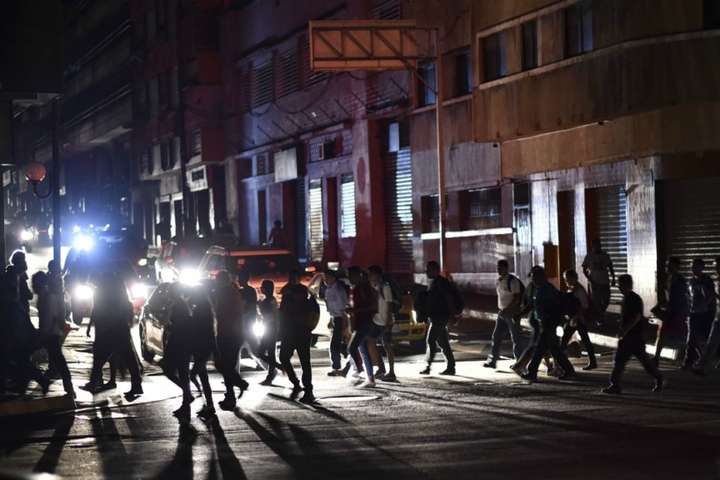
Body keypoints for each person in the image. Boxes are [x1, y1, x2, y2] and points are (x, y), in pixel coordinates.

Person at [602, 274, 663, 394]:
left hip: (634, 336)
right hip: (630, 336)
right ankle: (615, 384)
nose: (619, 287)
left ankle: (658, 378)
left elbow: (636, 317)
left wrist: (625, 330)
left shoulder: (634, 299)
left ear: (627, 285)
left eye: (620, 284)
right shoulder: (627, 298)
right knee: (620, 361)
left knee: (638, 361)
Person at [87, 273, 143, 397]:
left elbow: (100, 311)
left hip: (111, 331)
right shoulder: (122, 298)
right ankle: (137, 385)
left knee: (100, 358)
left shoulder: (107, 296)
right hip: (120, 330)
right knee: (129, 359)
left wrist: (98, 325)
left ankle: (94, 381)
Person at [520, 266, 576, 382]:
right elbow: (534, 305)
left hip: (548, 323)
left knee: (540, 349)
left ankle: (532, 372)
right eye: (532, 278)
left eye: (534, 277)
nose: (533, 280)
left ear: (541, 277)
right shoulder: (542, 289)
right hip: (547, 323)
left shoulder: (546, 290)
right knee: (552, 349)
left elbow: (550, 306)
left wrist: (547, 319)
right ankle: (569, 370)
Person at [34, 271, 75, 397]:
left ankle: (66, 387)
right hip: (48, 333)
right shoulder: (45, 296)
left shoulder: (49, 297)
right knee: (58, 359)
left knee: (58, 359)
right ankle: (65, 386)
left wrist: (46, 332)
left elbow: (53, 317)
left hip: (50, 334)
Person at [278, 270, 316, 402]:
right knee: (285, 358)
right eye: (291, 277)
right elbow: (283, 311)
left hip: (300, 330)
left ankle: (308, 390)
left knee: (304, 361)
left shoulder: (300, 291)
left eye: (294, 277)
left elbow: (288, 309)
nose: (292, 279)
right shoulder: (288, 291)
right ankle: (297, 383)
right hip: (291, 331)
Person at [214, 270, 248, 411]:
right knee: (224, 365)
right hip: (232, 334)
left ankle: (232, 394)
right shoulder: (233, 292)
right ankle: (236, 386)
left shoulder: (227, 293)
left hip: (229, 334)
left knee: (224, 365)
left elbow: (223, 314)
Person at [419, 261, 458, 376]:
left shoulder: (441, 283)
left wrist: (452, 315)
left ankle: (428, 366)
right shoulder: (435, 282)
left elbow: (449, 299)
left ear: (435, 270)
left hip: (440, 317)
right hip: (437, 317)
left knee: (430, 340)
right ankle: (451, 366)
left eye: (428, 270)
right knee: (443, 342)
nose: (426, 272)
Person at [485, 260, 524, 369]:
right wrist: (502, 310)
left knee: (516, 338)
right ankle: (493, 360)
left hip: (512, 313)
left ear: (506, 268)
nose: (498, 270)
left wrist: (507, 309)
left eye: (500, 268)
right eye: (497, 268)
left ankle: (520, 363)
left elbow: (517, 298)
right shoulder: (498, 281)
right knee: (496, 336)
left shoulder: (512, 281)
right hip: (502, 312)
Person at [560, 269, 597, 370]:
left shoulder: (579, 290)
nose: (566, 281)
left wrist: (576, 317)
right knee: (572, 340)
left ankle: (561, 363)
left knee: (568, 340)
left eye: (567, 279)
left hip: (578, 319)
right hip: (573, 319)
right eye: (565, 279)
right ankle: (592, 361)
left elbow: (585, 306)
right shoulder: (572, 289)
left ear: (573, 278)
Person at [188, 287, 216, 419]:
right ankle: (208, 404)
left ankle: (207, 402)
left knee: (195, 375)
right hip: (203, 347)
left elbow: (199, 329)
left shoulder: (200, 310)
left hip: (201, 347)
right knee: (202, 377)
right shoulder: (205, 308)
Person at [654, 257, 688, 365]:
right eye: (667, 265)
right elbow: (668, 296)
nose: (667, 267)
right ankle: (656, 357)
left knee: (681, 336)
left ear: (676, 266)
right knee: (663, 334)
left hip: (678, 312)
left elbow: (682, 297)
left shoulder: (680, 280)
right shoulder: (669, 278)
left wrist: (681, 312)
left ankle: (691, 357)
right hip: (671, 311)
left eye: (670, 265)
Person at [683, 258, 716, 369]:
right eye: (692, 266)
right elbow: (689, 296)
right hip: (694, 313)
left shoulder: (707, 280)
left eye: (696, 266)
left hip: (706, 313)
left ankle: (703, 361)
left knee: (704, 338)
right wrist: (688, 309)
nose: (694, 269)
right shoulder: (691, 281)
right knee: (691, 337)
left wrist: (705, 306)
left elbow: (711, 295)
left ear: (702, 268)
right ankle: (689, 361)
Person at [367, 265, 397, 382]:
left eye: (371, 274)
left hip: (385, 321)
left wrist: (388, 321)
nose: (369, 276)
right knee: (371, 342)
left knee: (387, 345)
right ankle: (380, 368)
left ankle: (392, 372)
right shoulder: (373, 286)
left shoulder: (385, 286)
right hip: (376, 320)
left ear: (377, 275)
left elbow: (389, 304)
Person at [694, 256, 720, 374]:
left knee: (712, 342)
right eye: (715, 267)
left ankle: (702, 366)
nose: (716, 269)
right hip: (718, 317)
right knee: (711, 342)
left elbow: (714, 296)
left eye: (718, 266)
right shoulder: (716, 280)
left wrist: (714, 295)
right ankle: (702, 367)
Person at [582, 238, 615, 324]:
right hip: (594, 283)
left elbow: (610, 267)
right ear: (592, 246)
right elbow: (584, 269)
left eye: (598, 245)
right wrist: (590, 280)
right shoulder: (589, 256)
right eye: (595, 245)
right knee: (596, 301)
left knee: (606, 299)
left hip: (605, 281)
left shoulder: (605, 255)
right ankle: (600, 318)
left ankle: (600, 315)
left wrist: (613, 278)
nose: (597, 247)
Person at [324, 270, 351, 377]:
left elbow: (343, 307)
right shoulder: (328, 289)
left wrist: (345, 323)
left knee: (336, 345)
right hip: (335, 318)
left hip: (341, 318)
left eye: (327, 277)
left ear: (333, 277)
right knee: (337, 344)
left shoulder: (339, 290)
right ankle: (339, 366)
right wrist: (331, 319)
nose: (325, 280)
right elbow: (330, 307)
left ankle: (338, 367)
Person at [257, 279, 280, 385]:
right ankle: (272, 373)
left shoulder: (270, 300)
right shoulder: (269, 300)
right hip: (269, 327)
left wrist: (260, 305)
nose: (261, 288)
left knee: (262, 352)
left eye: (263, 287)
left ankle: (276, 368)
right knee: (269, 353)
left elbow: (268, 314)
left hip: (270, 327)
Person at [9, 250, 33, 314]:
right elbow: (25, 292)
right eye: (23, 259)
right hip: (20, 309)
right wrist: (29, 294)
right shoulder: (17, 274)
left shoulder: (12, 272)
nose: (25, 262)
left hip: (19, 308)